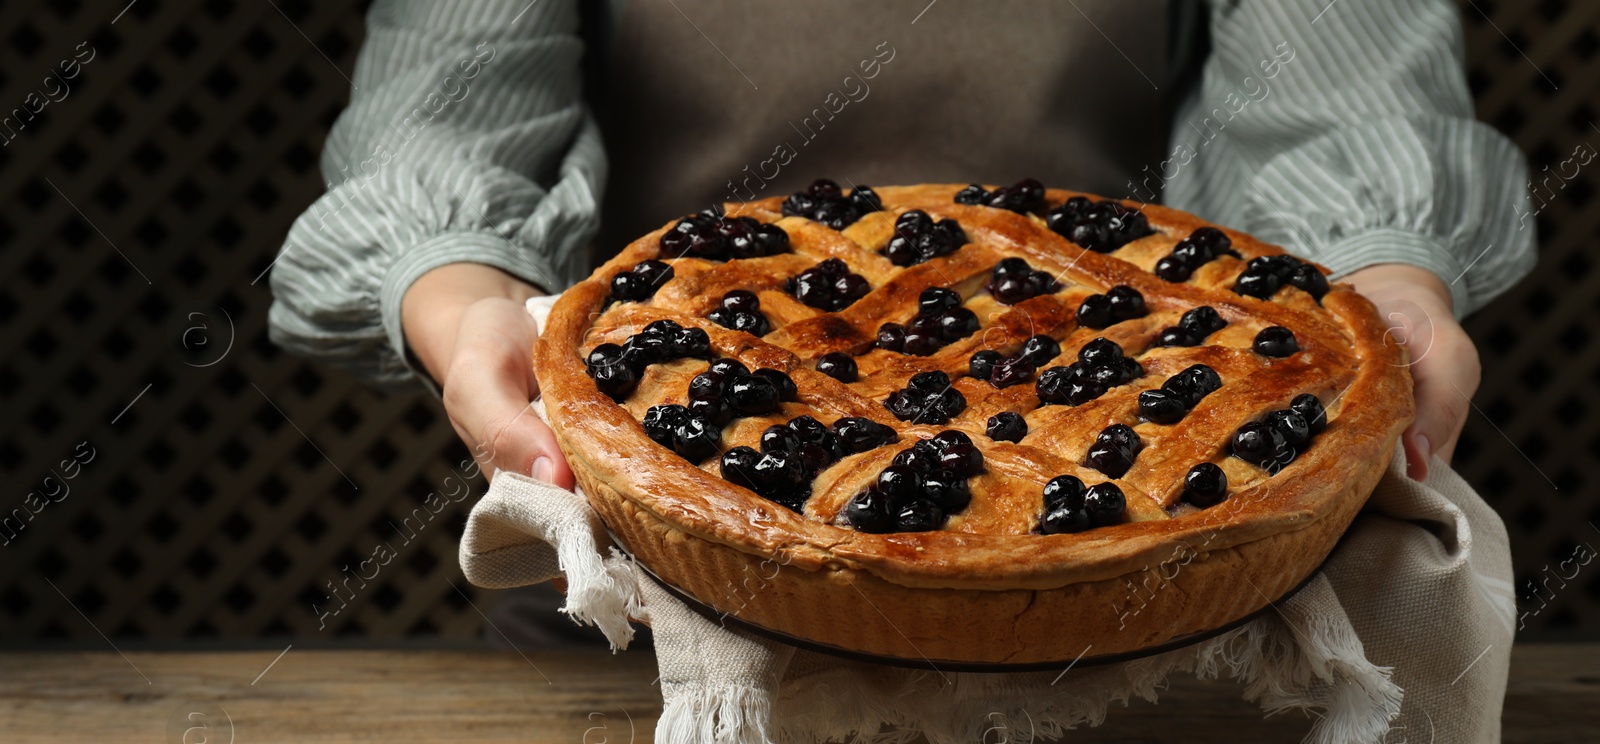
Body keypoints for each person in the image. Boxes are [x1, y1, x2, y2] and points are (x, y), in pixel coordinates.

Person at [267, 0, 1535, 638]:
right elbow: (444, 115)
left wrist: (1391, 289)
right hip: (641, 609)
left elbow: (1347, 103)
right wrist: (464, 298)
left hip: (1156, 622)